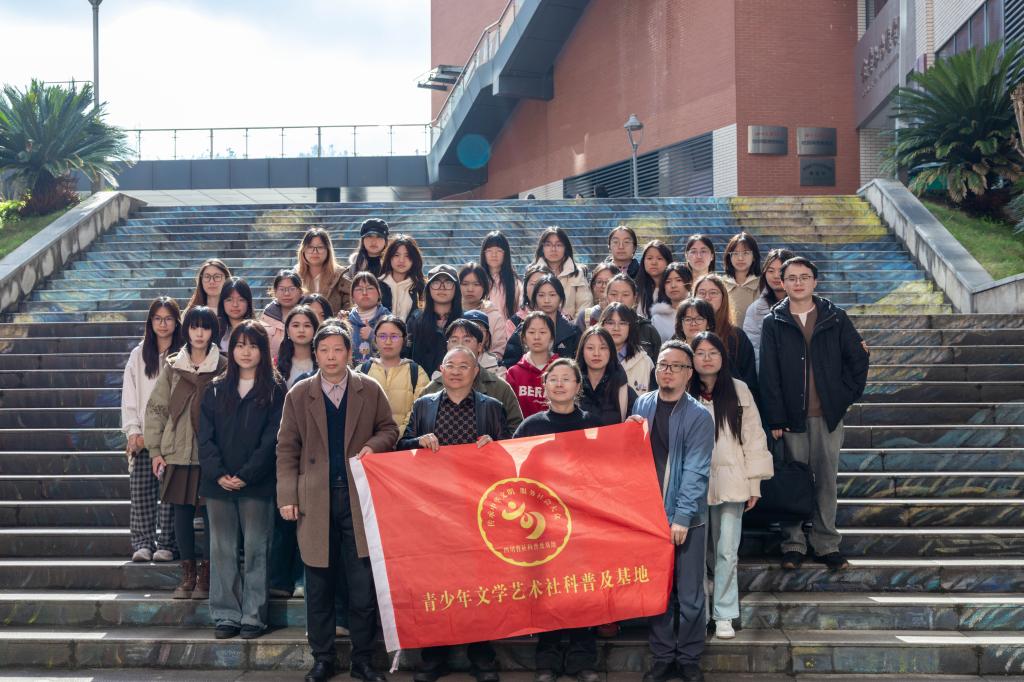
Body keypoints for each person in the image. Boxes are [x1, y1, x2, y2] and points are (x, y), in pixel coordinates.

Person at [276, 325, 399, 682]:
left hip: (359, 498)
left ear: (350, 353)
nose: (331, 357)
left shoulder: (368, 389)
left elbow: (389, 429)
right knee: (318, 586)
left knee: (362, 586)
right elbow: (287, 448)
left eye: (337, 349)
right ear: (316, 354)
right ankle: (323, 659)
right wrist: (288, 496)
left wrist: (374, 445)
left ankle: (363, 660)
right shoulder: (300, 394)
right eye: (324, 350)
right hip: (314, 499)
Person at [398, 347, 507, 682]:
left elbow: (510, 456)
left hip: (478, 510)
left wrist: (494, 446)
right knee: (436, 582)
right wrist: (418, 441)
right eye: (451, 365)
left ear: (476, 372)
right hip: (433, 511)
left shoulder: (492, 407)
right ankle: (434, 657)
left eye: (464, 366)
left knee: (480, 585)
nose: (457, 371)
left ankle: (481, 656)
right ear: (440, 370)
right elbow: (400, 447)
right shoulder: (424, 405)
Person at [759, 257, 869, 573]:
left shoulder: (835, 317)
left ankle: (826, 543)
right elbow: (769, 373)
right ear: (782, 283)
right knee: (793, 480)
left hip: (828, 417)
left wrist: (843, 397)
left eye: (804, 277)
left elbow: (858, 359)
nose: (798, 283)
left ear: (815, 281)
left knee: (826, 481)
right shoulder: (774, 321)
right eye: (791, 278)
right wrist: (776, 418)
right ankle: (793, 543)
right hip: (791, 419)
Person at [512, 358, 602, 682]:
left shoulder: (593, 424)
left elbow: (607, 469)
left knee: (583, 590)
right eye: (554, 379)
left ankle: (582, 659)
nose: (560, 384)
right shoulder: (530, 427)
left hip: (584, 522)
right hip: (542, 524)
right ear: (545, 386)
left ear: (578, 386)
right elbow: (513, 470)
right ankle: (547, 660)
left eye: (567, 379)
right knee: (546, 591)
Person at [630, 340, 714, 682]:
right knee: (657, 592)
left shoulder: (699, 415)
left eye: (676, 366)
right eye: (663, 365)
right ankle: (663, 656)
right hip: (650, 515)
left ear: (688, 373)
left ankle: (689, 657)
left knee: (690, 594)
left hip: (687, 518)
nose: (667, 371)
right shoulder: (642, 403)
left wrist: (681, 517)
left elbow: (697, 471)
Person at [198, 321, 286, 640]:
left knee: (256, 548)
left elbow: (273, 438)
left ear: (263, 350)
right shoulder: (215, 388)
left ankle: (253, 616)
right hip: (218, 484)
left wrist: (246, 475)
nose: (245, 352)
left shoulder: (275, 389)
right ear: (231, 349)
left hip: (258, 484)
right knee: (222, 549)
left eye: (252, 345)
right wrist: (219, 473)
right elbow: (204, 437)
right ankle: (226, 614)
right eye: (239, 345)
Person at [688, 331, 773, 640]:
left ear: (723, 357)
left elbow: (754, 437)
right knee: (697, 553)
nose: (707, 358)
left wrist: (754, 483)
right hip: (694, 484)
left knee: (726, 551)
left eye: (713, 352)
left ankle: (724, 614)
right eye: (700, 353)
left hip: (733, 481)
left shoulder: (739, 389)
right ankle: (699, 613)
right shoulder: (685, 390)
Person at [144, 306, 227, 601]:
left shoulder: (223, 366)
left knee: (212, 516)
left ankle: (207, 575)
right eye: (194, 326)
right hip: (177, 453)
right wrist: (155, 450)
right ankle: (187, 574)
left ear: (213, 331)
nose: (199, 333)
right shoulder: (173, 366)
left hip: (211, 454)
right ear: (187, 330)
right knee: (181, 515)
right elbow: (156, 409)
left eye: (205, 327)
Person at [122, 296, 181, 563]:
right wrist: (133, 431)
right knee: (142, 491)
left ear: (176, 322)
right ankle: (143, 543)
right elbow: (129, 394)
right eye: (157, 318)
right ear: (150, 322)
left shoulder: (183, 354)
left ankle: (167, 543)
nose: (163, 324)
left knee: (169, 493)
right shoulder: (139, 354)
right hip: (144, 437)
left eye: (168, 318)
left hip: (173, 438)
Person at [421, 321, 525, 432]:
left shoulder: (499, 388)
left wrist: (494, 440)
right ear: (447, 346)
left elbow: (516, 431)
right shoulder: (432, 389)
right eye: (454, 340)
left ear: (480, 346)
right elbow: (414, 433)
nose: (460, 345)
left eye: (467, 340)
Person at [357, 315, 429, 432]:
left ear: (404, 340)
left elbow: (420, 410)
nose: (388, 342)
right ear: (375, 339)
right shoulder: (361, 371)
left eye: (394, 336)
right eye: (382, 336)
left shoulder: (416, 372)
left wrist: (398, 435)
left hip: (405, 439)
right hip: (368, 440)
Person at [692, 274, 758, 401]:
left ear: (723, 298)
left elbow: (749, 381)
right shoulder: (685, 333)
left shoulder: (737, 336)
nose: (707, 297)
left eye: (713, 293)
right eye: (702, 293)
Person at [502, 275, 580, 368]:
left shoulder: (572, 331)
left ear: (561, 298)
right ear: (535, 299)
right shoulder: (523, 329)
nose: (546, 300)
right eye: (541, 295)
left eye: (552, 295)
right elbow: (510, 363)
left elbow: (579, 365)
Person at [743, 248, 795, 371]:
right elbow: (753, 350)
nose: (776, 276)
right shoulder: (755, 310)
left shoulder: (808, 306)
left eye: (781, 270)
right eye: (771, 271)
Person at [407, 265, 463, 376]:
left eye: (448, 283)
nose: (442, 288)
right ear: (428, 288)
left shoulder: (465, 320)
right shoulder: (415, 320)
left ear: (456, 288)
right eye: (436, 283)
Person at [575, 325, 637, 425]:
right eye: (590, 348)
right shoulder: (571, 388)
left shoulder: (623, 391)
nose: (596, 353)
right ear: (582, 351)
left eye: (603, 348)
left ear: (611, 352)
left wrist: (631, 424)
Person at [530, 226, 592, 318]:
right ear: (542, 248)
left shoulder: (577, 274)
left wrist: (572, 325)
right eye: (548, 245)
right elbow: (527, 304)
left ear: (565, 248)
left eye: (558, 245)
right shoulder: (533, 274)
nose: (553, 249)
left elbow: (585, 305)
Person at [506, 311, 558, 419]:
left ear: (552, 337)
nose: (537, 337)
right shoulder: (513, 373)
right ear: (524, 337)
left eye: (542, 332)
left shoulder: (561, 370)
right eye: (531, 332)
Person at [599, 303, 655, 394]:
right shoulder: (592, 357)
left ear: (630, 327)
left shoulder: (645, 362)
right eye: (610, 323)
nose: (616, 328)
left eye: (622, 323)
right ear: (602, 325)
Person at [480, 231, 522, 354]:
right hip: (481, 338)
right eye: (489, 250)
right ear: (483, 253)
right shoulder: (478, 281)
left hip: (507, 340)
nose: (494, 255)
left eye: (499, 251)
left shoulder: (515, 283)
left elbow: (520, 313)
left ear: (506, 254)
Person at [604, 274, 661, 364]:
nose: (619, 299)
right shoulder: (598, 328)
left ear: (635, 298)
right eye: (613, 294)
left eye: (625, 295)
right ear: (607, 297)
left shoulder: (648, 330)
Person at [295, 227, 350, 315]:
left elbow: (351, 307)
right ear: (303, 250)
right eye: (310, 247)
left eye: (320, 247)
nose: (315, 252)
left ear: (328, 250)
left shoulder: (340, 277)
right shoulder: (295, 277)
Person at [460, 262, 509, 360]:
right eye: (465, 284)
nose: (470, 289)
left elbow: (498, 351)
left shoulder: (494, 316)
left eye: (476, 284)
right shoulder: (452, 312)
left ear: (484, 287)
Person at [347, 272, 391, 365]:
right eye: (359, 289)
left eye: (370, 288)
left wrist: (373, 336)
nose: (364, 293)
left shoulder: (389, 320)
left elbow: (398, 348)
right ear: (352, 296)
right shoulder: (346, 321)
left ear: (379, 293)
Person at [379, 234, 425, 321]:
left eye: (407, 256)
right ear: (389, 257)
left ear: (414, 259)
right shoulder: (377, 285)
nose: (401, 260)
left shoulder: (420, 286)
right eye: (396, 255)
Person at [261, 270, 304, 359]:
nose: (287, 293)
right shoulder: (266, 317)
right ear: (275, 291)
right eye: (282, 289)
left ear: (300, 291)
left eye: (292, 289)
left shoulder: (309, 315)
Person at [722, 232, 762, 326]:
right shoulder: (721, 284)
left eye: (746, 253)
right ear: (729, 257)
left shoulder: (763, 284)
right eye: (735, 253)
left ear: (754, 257)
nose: (740, 258)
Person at [276, 306, 320, 388]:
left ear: (315, 330)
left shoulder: (323, 362)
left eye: (307, 326)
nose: (301, 330)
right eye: (296, 325)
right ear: (287, 331)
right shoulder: (277, 364)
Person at [649, 263, 692, 341]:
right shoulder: (658, 319)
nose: (673, 285)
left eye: (678, 280)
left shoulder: (699, 312)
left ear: (690, 282)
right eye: (668, 281)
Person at [459, 310, 504, 378]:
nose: (475, 334)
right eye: (469, 330)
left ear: (487, 336)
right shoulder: (448, 361)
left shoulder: (497, 364)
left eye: (479, 330)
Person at [508, 264, 551, 334]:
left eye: (542, 283)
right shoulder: (514, 322)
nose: (537, 288)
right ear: (525, 288)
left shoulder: (563, 318)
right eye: (533, 284)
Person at [575, 262, 619, 330]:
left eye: (608, 282)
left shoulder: (625, 314)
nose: (603, 286)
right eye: (599, 282)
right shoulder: (585, 316)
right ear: (593, 286)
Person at [637, 240, 674, 318]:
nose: (654, 262)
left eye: (659, 258)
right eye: (649, 258)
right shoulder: (637, 289)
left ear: (668, 262)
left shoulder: (674, 289)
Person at [217, 278, 254, 352]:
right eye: (229, 300)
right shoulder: (215, 330)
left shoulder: (257, 331)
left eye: (241, 299)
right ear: (222, 303)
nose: (235, 304)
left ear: (248, 302)